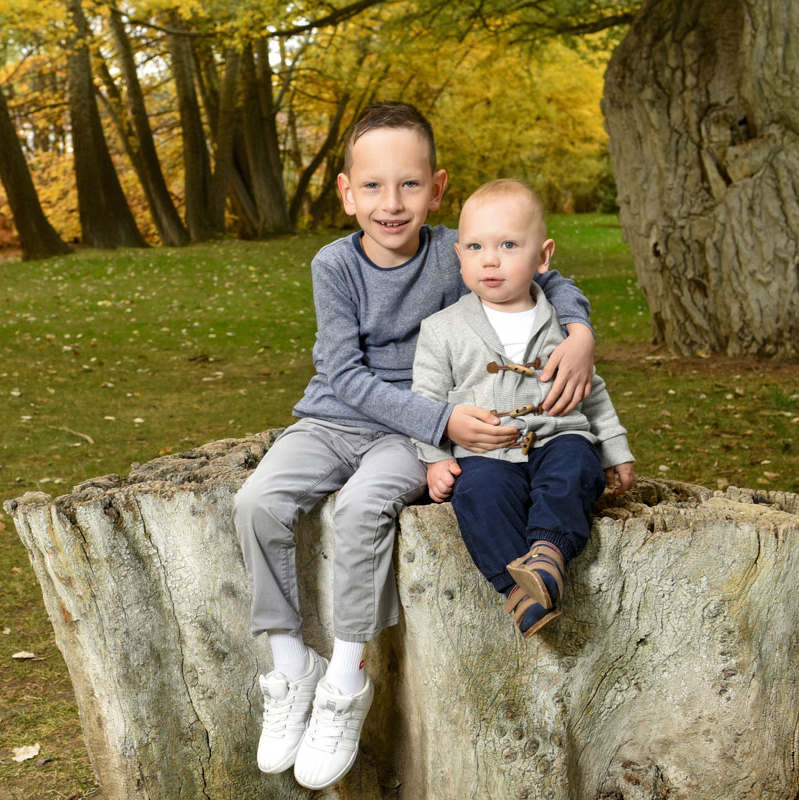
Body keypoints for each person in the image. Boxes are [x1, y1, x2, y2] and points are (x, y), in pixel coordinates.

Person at [233, 103, 597, 790]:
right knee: (257, 502)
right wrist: (448, 420)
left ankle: (345, 676)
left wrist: (577, 333)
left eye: (409, 185)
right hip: (333, 418)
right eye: (372, 186)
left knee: (362, 508)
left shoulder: (451, 252)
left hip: (413, 433)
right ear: (346, 192)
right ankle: (289, 665)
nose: (390, 203)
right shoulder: (333, 264)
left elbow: (545, 277)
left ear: (438, 189)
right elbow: (342, 373)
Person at [411, 178, 636, 637]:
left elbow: (589, 387)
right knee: (478, 496)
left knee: (576, 464)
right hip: (488, 450)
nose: (489, 259)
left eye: (508, 245)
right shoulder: (441, 329)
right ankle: (517, 591)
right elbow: (426, 399)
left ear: (543, 256)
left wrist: (615, 447)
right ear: (459, 255)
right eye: (475, 246)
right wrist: (434, 460)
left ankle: (548, 554)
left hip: (558, 434)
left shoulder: (561, 323)